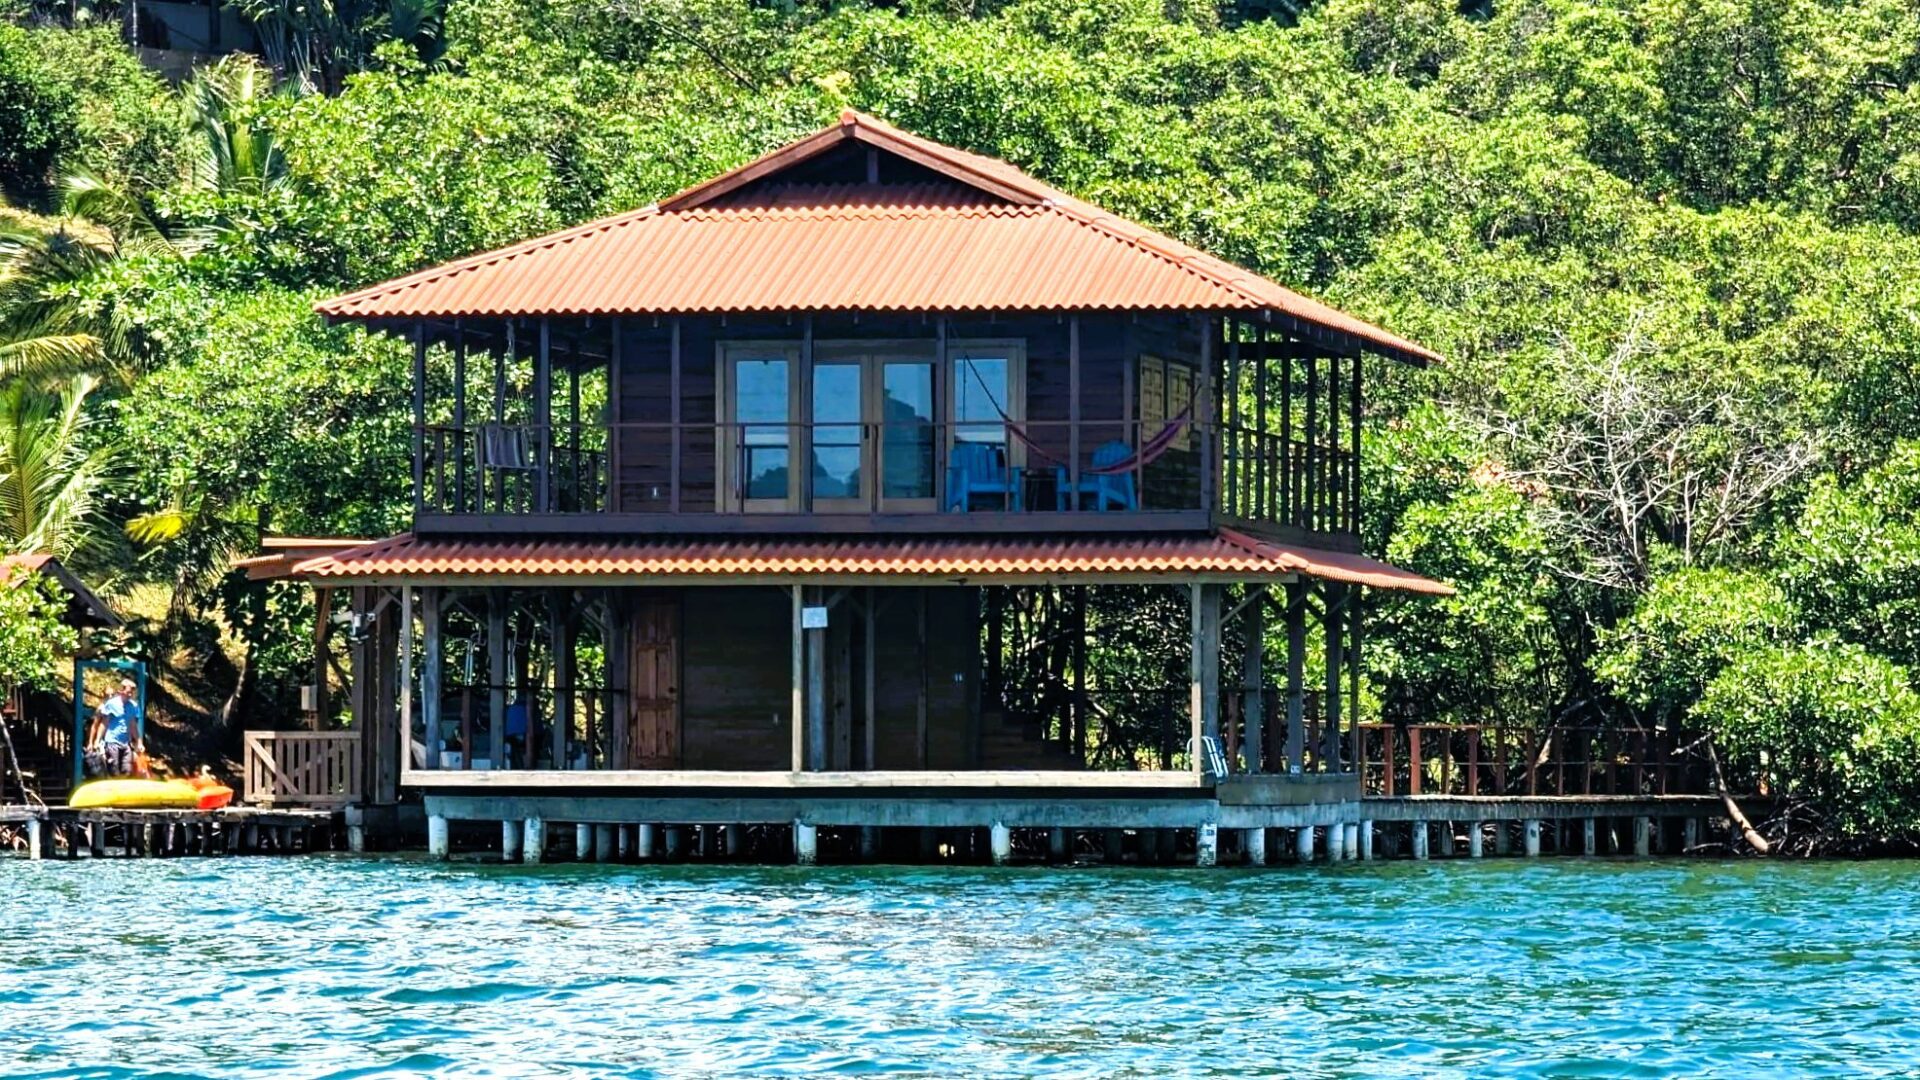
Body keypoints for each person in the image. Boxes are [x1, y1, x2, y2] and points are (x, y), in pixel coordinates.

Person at [85, 677, 144, 778]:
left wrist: (139, 742)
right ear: (121, 691)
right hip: (112, 742)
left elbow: (133, 725)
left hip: (126, 742)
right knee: (114, 769)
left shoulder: (133, 706)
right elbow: (103, 724)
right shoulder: (111, 704)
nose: (130, 695)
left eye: (132, 693)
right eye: (128, 692)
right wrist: (96, 741)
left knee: (127, 770)